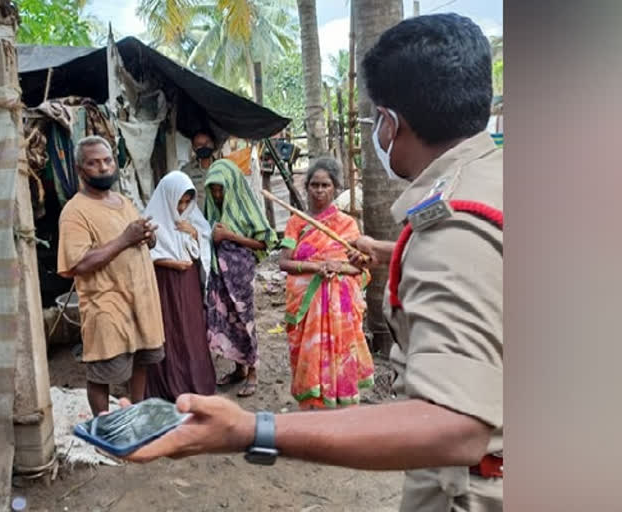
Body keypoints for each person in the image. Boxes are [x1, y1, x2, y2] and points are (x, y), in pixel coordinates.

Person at [117, 13, 503, 511]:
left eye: (373, 123)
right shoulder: (495, 180)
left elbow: (456, 427)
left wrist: (249, 430)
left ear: (390, 121)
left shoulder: (453, 224)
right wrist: (392, 250)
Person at [57, 135, 165, 415]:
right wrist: (125, 240)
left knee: (142, 360)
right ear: (81, 170)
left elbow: (138, 238)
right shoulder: (75, 211)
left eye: (107, 161)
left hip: (140, 299)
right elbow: (79, 263)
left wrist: (148, 237)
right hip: (106, 302)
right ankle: (104, 430)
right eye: (94, 163)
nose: (104, 168)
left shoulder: (123, 201)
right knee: (102, 371)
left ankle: (136, 417)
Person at [278, 157, 375, 409]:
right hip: (307, 305)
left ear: (335, 188)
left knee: (342, 354)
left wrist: (337, 267)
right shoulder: (296, 222)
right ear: (307, 187)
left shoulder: (347, 224)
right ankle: (314, 407)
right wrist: (317, 267)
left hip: (340, 307)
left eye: (325, 185)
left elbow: (359, 266)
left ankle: (341, 403)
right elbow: (284, 262)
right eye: (314, 185)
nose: (319, 191)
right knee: (309, 357)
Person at [203, 159, 277, 397]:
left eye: (220, 189)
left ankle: (253, 371)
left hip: (240, 274)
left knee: (245, 320)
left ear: (231, 186)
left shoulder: (246, 207)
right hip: (218, 275)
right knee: (227, 320)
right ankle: (239, 369)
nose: (216, 195)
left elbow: (265, 241)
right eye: (213, 189)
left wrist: (230, 236)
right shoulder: (211, 210)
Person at [142, 171, 217, 401]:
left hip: (188, 282)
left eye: (187, 201)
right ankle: (170, 382)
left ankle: (195, 380)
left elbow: (203, 243)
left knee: (191, 327)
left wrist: (195, 233)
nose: (183, 207)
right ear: (167, 198)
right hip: (165, 281)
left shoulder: (193, 216)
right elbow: (144, 256)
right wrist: (171, 262)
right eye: (179, 201)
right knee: (169, 328)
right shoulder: (151, 220)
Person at [180, 131, 217, 211]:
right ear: (194, 148)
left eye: (207, 143)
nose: (204, 147)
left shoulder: (222, 168)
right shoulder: (186, 171)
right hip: (196, 218)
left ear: (213, 144)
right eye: (199, 145)